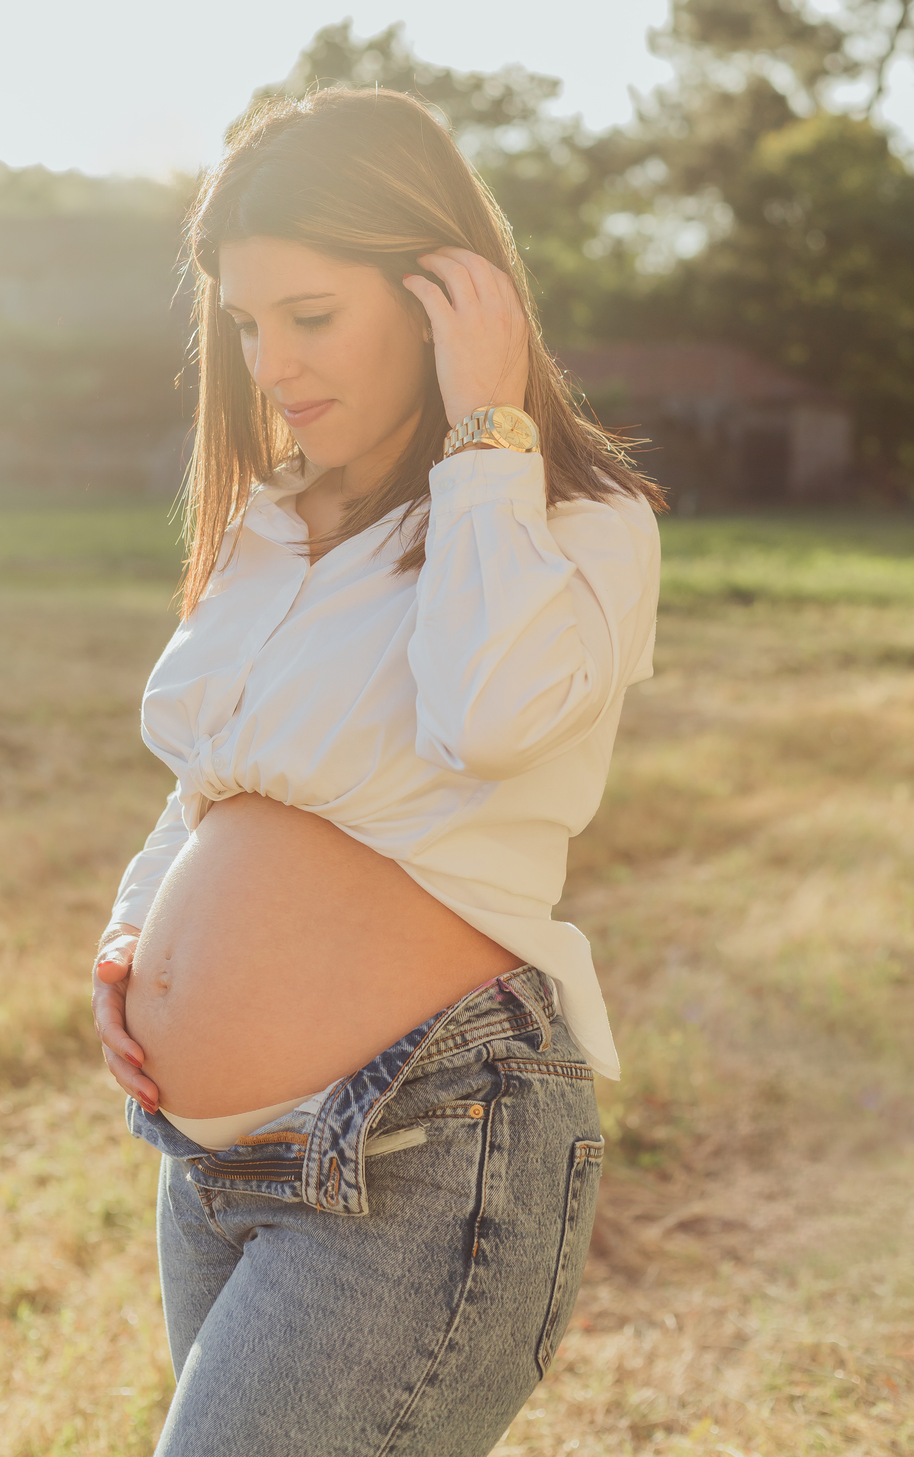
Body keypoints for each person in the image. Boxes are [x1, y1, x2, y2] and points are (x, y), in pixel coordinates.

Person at [91, 87, 663, 1456]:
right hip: (216, 1166)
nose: (270, 361)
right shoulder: (270, 529)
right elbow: (206, 787)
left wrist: (487, 432)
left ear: (440, 293)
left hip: (422, 1142)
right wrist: (130, 941)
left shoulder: (578, 526)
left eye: (310, 316)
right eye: (244, 322)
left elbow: (488, 717)